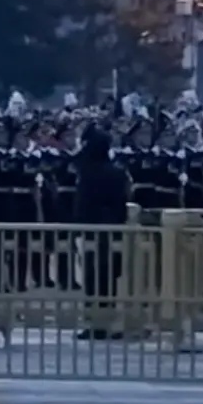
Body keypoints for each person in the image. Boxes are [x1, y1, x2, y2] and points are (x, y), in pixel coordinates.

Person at [69, 128, 130, 339]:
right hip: (113, 229)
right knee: (111, 278)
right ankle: (112, 322)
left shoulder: (87, 171)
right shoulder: (117, 171)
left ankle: (96, 324)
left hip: (92, 230)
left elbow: (82, 203)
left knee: (93, 279)